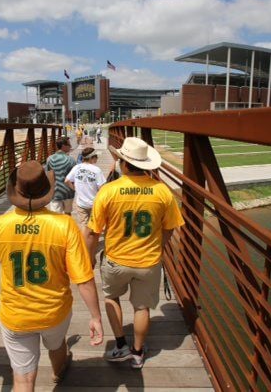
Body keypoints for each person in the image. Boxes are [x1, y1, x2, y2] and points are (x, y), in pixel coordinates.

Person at [0, 161, 103, 391]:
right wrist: (96, 316)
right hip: (54, 312)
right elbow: (83, 277)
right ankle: (59, 373)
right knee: (57, 346)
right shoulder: (65, 225)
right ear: (46, 191)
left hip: (14, 314)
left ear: (16, 191)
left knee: (23, 380)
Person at [86, 137, 184, 369]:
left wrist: (89, 256)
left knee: (112, 298)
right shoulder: (162, 191)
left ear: (123, 162)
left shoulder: (108, 191)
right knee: (142, 308)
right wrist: (157, 246)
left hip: (115, 259)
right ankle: (138, 353)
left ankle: (120, 345)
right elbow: (170, 227)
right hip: (148, 262)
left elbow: (92, 233)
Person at [64, 148, 106, 262]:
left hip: (81, 202)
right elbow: (102, 188)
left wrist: (75, 189)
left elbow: (67, 180)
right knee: (94, 227)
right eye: (96, 156)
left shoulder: (77, 167)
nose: (97, 158)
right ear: (92, 157)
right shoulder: (96, 170)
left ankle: (83, 248)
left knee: (83, 224)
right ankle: (91, 249)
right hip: (94, 203)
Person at [45, 137, 76, 215]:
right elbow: (74, 178)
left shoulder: (50, 159)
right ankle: (67, 227)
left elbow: (48, 175)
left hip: (55, 192)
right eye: (69, 144)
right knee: (68, 214)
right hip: (68, 192)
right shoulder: (71, 160)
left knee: (56, 217)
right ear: (63, 146)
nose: (71, 146)